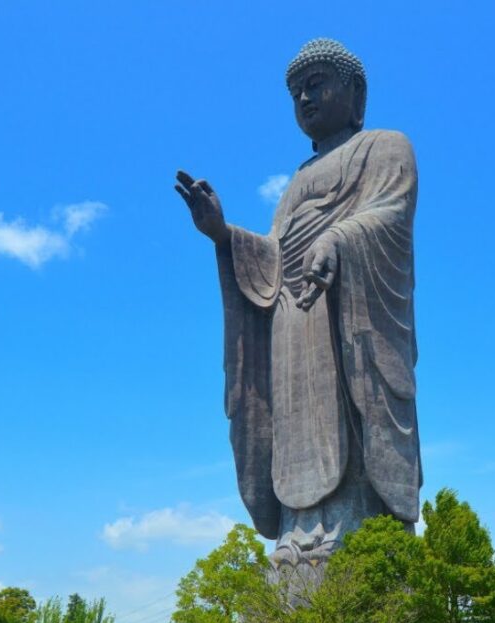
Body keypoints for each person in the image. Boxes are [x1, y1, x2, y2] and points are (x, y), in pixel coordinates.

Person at [175, 38, 420, 566]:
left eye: (316, 85)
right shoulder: (297, 181)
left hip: (345, 319)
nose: (305, 99)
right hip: (293, 324)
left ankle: (355, 526)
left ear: (354, 93)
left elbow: (390, 212)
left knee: (347, 424)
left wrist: (337, 239)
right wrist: (223, 235)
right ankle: (298, 532)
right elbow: (273, 255)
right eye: (295, 92)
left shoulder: (384, 147)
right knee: (296, 429)